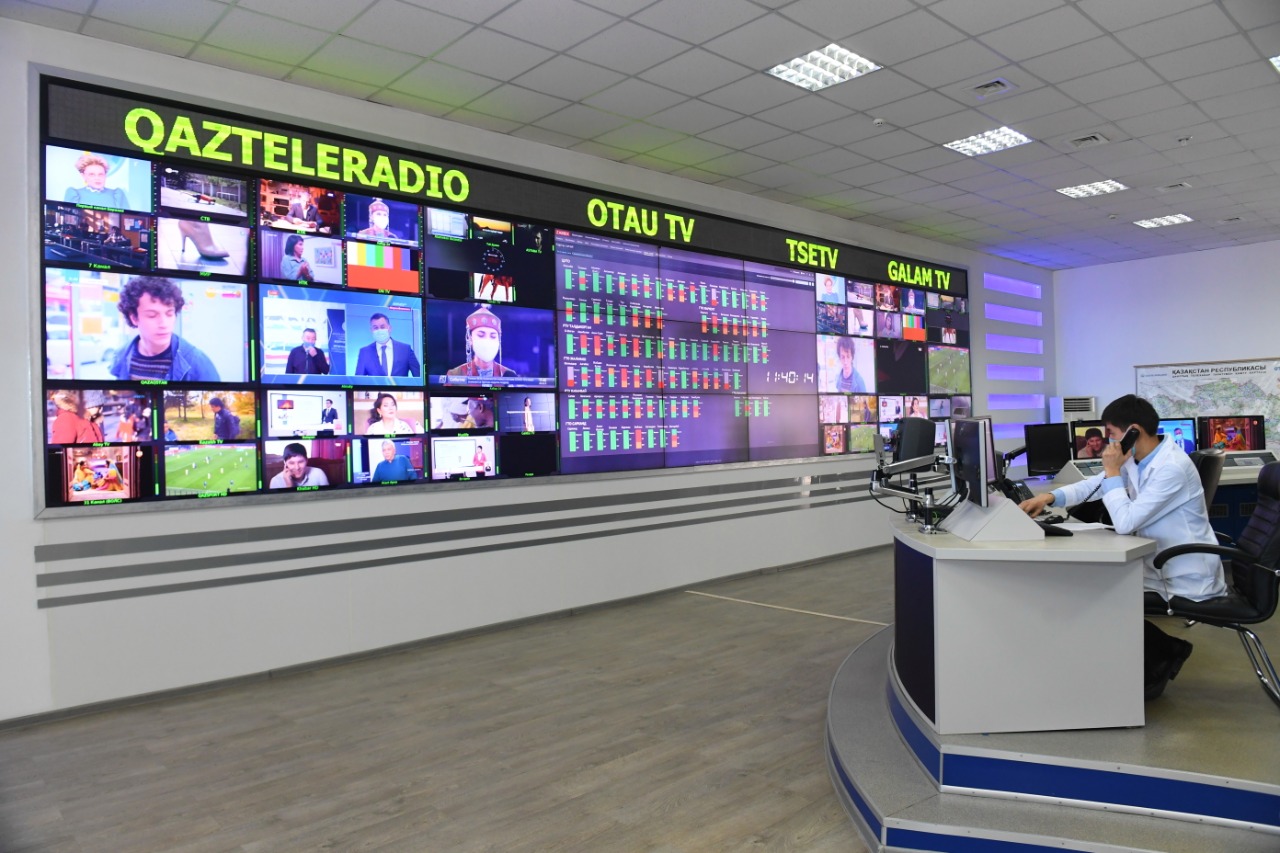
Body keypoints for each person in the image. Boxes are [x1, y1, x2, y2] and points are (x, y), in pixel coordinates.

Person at [1018, 395, 1225, 700]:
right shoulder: (1139, 459)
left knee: (1095, 594)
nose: (1109, 443)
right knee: (1090, 586)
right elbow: (1095, 485)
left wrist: (1114, 471)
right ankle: (1161, 652)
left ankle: (1159, 657)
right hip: (1160, 564)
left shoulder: (1171, 467)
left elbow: (1126, 521)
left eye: (1113, 434)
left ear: (1133, 432)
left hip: (1185, 575)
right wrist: (1049, 498)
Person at [109, 276, 220, 381]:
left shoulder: (197, 363)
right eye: (152, 315)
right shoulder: (120, 356)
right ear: (134, 318)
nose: (164, 324)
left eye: (169, 314)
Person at [446, 306, 515, 380]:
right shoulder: (455, 375)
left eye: (493, 336)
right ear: (470, 339)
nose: (487, 341)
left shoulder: (509, 375)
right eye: (481, 335)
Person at [354, 313, 420, 377]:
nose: (379, 330)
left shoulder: (405, 350)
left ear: (389, 328)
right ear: (371, 330)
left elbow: (419, 377)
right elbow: (358, 380)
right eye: (375, 328)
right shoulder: (364, 352)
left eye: (382, 327)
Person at [64, 152, 130, 209]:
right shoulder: (75, 194)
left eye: (100, 174)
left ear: (105, 175)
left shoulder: (117, 195)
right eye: (92, 174)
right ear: (83, 176)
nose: (97, 178)